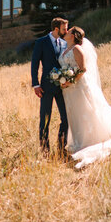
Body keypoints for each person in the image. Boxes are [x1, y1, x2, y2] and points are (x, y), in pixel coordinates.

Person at [59, 26, 111, 169]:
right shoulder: (65, 50)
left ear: (73, 36)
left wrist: (70, 81)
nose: (66, 32)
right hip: (69, 90)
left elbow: (83, 69)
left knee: (86, 111)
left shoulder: (77, 49)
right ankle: (79, 141)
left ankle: (90, 141)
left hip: (79, 86)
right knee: (76, 114)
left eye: (69, 32)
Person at [30, 17, 69, 155]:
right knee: (45, 119)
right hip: (45, 87)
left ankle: (61, 148)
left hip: (62, 88)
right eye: (64, 28)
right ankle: (45, 152)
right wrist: (35, 84)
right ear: (57, 28)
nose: (66, 31)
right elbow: (35, 63)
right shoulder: (41, 42)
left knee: (66, 118)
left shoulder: (64, 43)